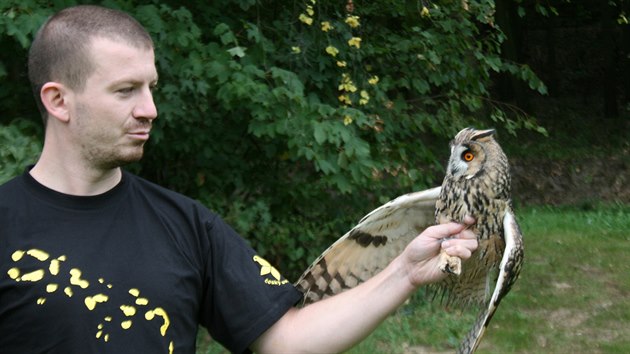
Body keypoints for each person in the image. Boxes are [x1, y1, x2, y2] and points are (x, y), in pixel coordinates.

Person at [0, 5, 478, 354]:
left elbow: (285, 340)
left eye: (151, 87)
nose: (150, 109)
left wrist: (405, 273)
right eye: (126, 90)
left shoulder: (185, 224)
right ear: (58, 101)